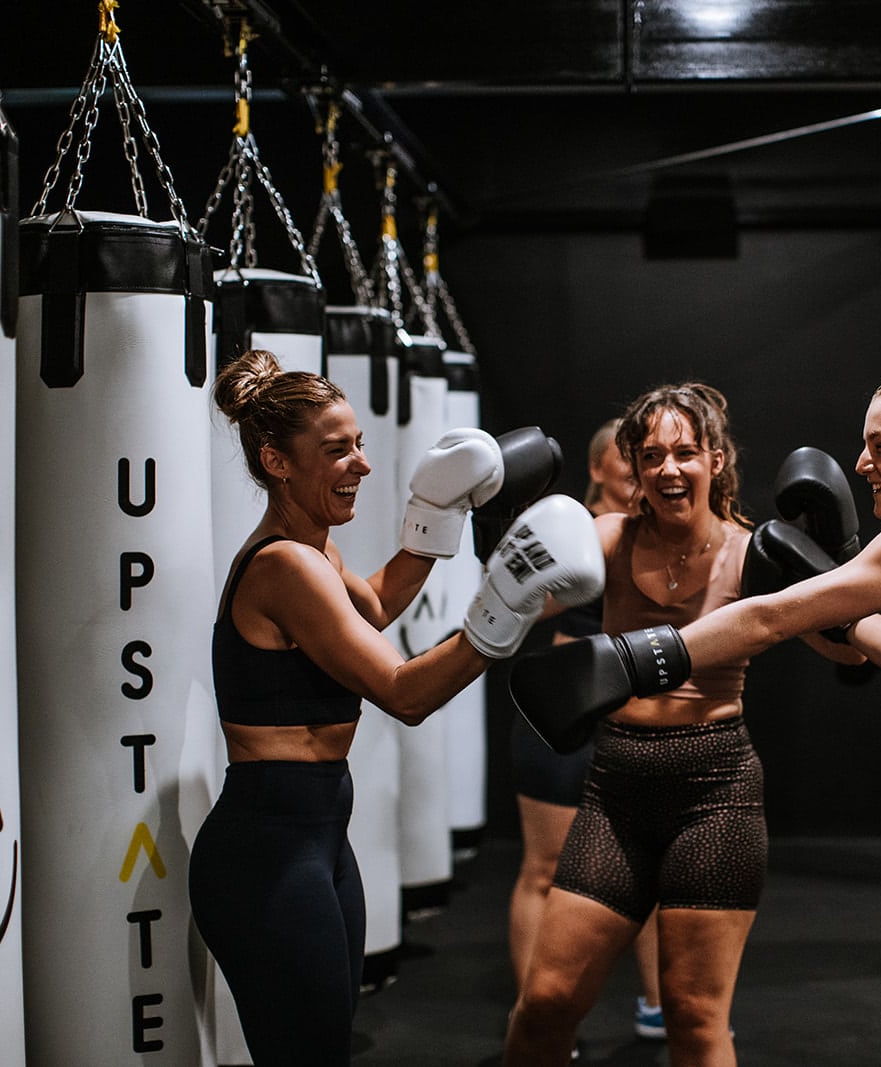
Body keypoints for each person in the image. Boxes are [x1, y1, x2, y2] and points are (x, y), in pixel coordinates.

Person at [513, 347, 881, 1067]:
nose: (863, 464)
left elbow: (769, 618)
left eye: (880, 447)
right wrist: (835, 571)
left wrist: (638, 657)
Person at [189, 349, 604, 1067]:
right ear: (276, 462)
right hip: (268, 848)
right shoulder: (284, 565)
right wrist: (502, 606)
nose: (362, 464)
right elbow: (404, 693)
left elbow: (375, 605)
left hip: (316, 837)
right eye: (336, 450)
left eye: (358, 444)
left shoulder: (313, 553)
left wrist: (433, 512)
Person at [505, 382, 857, 1066]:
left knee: (695, 1018)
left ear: (717, 460)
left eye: (686, 452)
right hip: (616, 789)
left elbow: (847, 651)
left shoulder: (752, 553)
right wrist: (496, 525)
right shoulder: (605, 539)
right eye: (653, 455)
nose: (670, 468)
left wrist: (839, 560)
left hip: (715, 790)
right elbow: (504, 607)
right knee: (545, 1001)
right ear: (631, 468)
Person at [505, 418, 667, 1042]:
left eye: (646, 458)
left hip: (640, 708)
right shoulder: (571, 529)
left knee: (652, 867)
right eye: (625, 459)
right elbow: (515, 602)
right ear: (598, 468)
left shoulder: (666, 533)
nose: (638, 469)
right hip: (568, 704)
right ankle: (535, 1020)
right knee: (545, 868)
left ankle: (659, 1006)